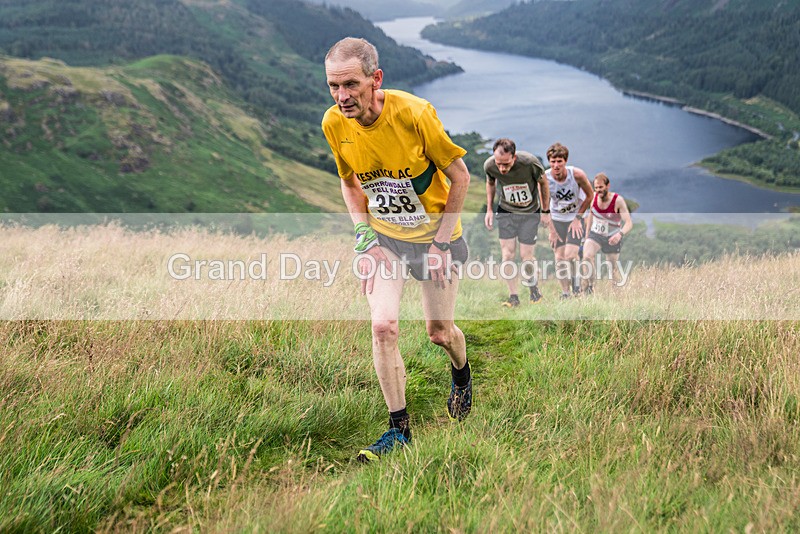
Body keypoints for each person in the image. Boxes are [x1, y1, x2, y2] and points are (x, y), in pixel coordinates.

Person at [321, 37, 473, 463]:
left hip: (435, 239)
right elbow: (350, 182)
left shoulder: (414, 113)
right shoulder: (334, 123)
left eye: (350, 84)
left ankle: (461, 373)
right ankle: (399, 430)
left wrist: (442, 243)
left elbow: (460, 178)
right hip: (385, 239)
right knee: (383, 326)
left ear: (376, 78)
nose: (341, 96)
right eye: (333, 86)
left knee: (439, 333)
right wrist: (363, 234)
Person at [484, 138, 550, 307]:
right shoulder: (490, 165)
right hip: (506, 211)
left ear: (514, 157)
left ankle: (534, 291)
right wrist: (490, 210)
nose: (502, 168)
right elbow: (490, 184)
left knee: (526, 256)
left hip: (529, 213)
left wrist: (545, 210)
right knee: (507, 255)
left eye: (506, 164)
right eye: (499, 164)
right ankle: (514, 297)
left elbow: (543, 183)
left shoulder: (530, 163)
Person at [544, 142, 594, 299]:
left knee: (571, 256)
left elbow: (590, 196)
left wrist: (578, 218)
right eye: (553, 161)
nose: (556, 165)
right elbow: (543, 206)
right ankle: (566, 293)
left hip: (574, 219)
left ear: (565, 161)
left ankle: (576, 286)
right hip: (556, 220)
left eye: (559, 161)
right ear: (549, 161)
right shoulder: (545, 178)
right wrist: (551, 230)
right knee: (559, 258)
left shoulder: (577, 175)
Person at [582, 173, 633, 293]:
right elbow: (591, 214)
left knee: (612, 267)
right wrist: (587, 235)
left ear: (607, 186)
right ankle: (590, 287)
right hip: (596, 234)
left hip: (613, 237)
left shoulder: (618, 201)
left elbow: (629, 223)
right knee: (587, 257)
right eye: (596, 188)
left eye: (601, 187)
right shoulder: (593, 197)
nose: (598, 190)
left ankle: (616, 293)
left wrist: (619, 234)